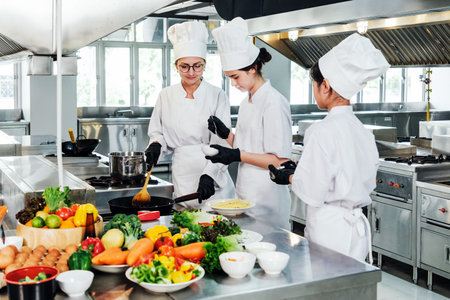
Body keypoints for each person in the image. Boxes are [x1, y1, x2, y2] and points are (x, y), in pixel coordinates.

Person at [269, 33, 390, 263]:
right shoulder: (363, 132)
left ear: (325, 85)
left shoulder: (322, 131)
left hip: (330, 230)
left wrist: (291, 177)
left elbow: (313, 190)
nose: (314, 90)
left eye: (314, 85)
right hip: (357, 232)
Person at [206, 17, 292, 229]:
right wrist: (226, 134)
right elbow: (247, 147)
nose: (234, 84)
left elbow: (279, 159)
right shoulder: (247, 102)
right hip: (245, 193)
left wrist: (236, 155)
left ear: (253, 68)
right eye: (230, 79)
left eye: (235, 77)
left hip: (267, 195)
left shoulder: (274, 102)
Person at [145, 21, 235, 208]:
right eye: (185, 66)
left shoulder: (217, 95)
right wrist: (155, 145)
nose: (191, 72)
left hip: (212, 176)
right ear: (176, 65)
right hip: (182, 175)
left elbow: (222, 142)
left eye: (197, 66)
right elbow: (157, 133)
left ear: (204, 65)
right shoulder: (166, 95)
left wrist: (210, 175)